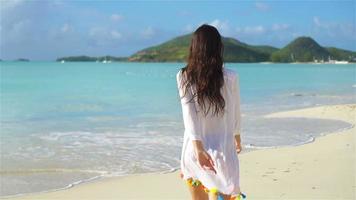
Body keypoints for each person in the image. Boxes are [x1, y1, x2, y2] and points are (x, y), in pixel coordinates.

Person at [176, 24, 243, 200]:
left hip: (194, 149)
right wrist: (237, 136)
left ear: (194, 48)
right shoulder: (231, 77)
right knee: (223, 195)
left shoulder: (184, 76)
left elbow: (188, 115)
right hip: (223, 149)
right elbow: (236, 110)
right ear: (218, 48)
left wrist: (199, 149)